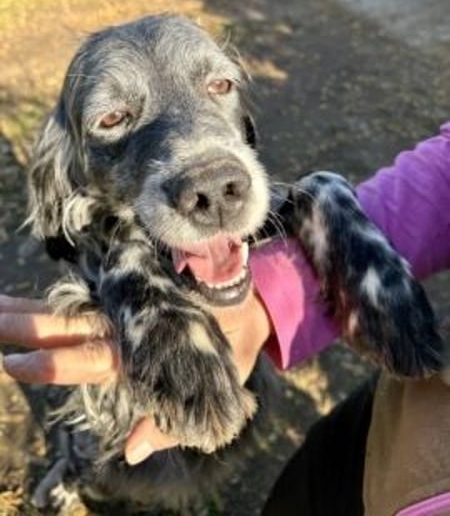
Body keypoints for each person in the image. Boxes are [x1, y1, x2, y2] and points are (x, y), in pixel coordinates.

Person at [2, 123, 450, 515]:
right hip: (398, 427)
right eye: (114, 118)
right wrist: (264, 303)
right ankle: (77, 475)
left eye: (219, 86)